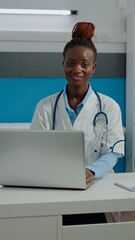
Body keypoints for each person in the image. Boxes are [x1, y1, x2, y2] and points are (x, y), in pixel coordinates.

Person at [30, 22, 124, 223]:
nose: (77, 69)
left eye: (84, 64)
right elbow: (36, 151)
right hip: (56, 186)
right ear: (63, 64)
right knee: (56, 229)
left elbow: (112, 152)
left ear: (93, 67)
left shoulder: (109, 107)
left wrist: (92, 171)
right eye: (71, 63)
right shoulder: (45, 107)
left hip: (99, 185)